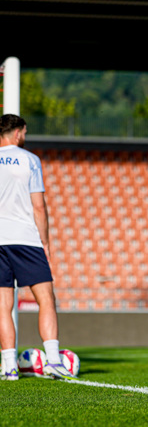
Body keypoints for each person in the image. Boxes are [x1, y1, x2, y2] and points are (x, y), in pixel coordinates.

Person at [0, 114, 76, 381]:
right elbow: (39, 206)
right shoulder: (29, 160)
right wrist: (45, 241)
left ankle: (9, 367)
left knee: (3, 306)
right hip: (25, 238)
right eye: (24, 132)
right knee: (45, 298)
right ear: (18, 133)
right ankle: (53, 361)